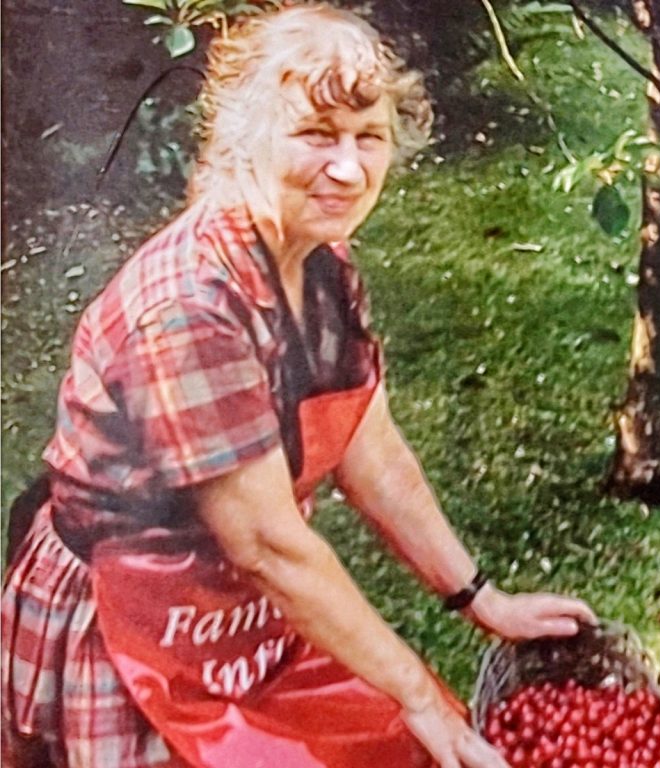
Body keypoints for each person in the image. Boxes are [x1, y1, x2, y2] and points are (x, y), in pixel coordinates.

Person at [1, 5, 596, 767]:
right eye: (316, 134)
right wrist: (414, 690)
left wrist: (479, 598)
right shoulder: (191, 310)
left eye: (368, 137)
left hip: (233, 616)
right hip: (133, 629)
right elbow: (269, 546)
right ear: (243, 137)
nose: (348, 169)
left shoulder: (322, 265)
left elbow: (368, 447)